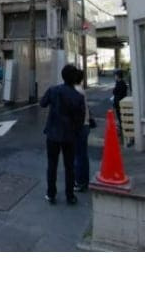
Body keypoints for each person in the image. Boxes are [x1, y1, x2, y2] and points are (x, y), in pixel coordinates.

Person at [39, 64, 86, 205]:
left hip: (53, 134)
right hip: (69, 136)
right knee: (69, 166)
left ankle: (51, 194)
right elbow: (80, 119)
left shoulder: (54, 90)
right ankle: (70, 195)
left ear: (62, 76)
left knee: (52, 165)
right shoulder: (78, 96)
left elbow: (42, 103)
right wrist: (76, 131)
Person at [74, 69, 93, 192]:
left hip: (79, 127)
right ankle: (84, 181)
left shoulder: (75, 90)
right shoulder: (81, 89)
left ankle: (79, 182)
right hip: (85, 125)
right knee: (83, 155)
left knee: (77, 155)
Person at [113, 69, 129, 138]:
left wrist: (114, 91)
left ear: (118, 76)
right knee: (121, 117)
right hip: (119, 103)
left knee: (121, 117)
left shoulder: (120, 84)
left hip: (119, 103)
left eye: (115, 75)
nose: (114, 77)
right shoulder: (120, 83)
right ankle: (123, 130)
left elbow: (116, 92)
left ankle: (123, 132)